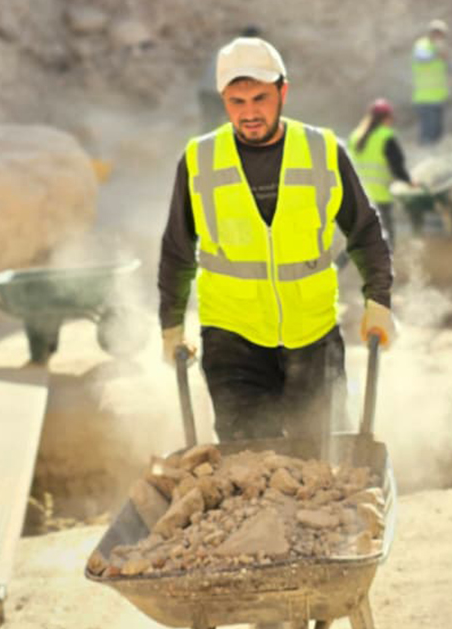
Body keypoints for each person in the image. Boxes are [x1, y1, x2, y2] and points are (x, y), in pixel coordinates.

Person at [159, 37, 396, 443]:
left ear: (283, 92)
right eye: (237, 101)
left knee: (324, 467)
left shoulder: (323, 150)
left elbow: (365, 231)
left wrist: (379, 301)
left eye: (260, 98)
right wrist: (171, 325)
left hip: (314, 334)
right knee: (249, 466)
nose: (249, 112)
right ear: (223, 101)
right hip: (233, 339)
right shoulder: (199, 159)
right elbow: (178, 250)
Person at [348, 98, 415, 247]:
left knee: (357, 241)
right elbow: (397, 166)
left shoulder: (355, 136)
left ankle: (338, 267)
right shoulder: (385, 136)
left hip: (357, 197)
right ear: (387, 118)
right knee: (387, 243)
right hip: (379, 198)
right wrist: (409, 182)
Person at [197, 25, 262, 130]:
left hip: (208, 91)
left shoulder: (230, 48)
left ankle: (207, 145)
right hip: (216, 92)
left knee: (212, 126)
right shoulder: (243, 53)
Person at [410, 18, 452, 145]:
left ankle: (436, 156)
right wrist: (436, 53)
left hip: (438, 98)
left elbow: (450, 66)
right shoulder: (422, 45)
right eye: (437, 33)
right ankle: (426, 152)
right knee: (428, 131)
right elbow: (422, 57)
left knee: (437, 132)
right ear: (432, 33)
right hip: (425, 98)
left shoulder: (439, 48)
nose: (440, 37)